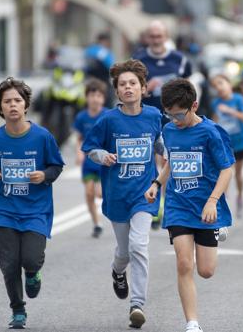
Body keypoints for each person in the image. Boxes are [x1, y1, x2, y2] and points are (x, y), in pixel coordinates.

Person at [144, 78, 234, 332]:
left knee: (206, 271)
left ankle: (217, 228)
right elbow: (170, 163)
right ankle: (192, 323)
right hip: (178, 206)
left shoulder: (211, 132)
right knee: (184, 264)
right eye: (169, 115)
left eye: (179, 114)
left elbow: (227, 169)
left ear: (194, 106)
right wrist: (156, 184)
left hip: (206, 206)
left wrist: (213, 202)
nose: (175, 120)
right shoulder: (170, 130)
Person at [0, 77, 65, 329]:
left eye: (17, 100)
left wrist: (44, 175)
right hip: (5, 210)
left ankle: (33, 273)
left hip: (36, 209)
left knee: (31, 259)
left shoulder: (42, 136)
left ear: (26, 105)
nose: (13, 105)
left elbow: (56, 166)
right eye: (7, 101)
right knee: (9, 263)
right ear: (0, 107)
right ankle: (17, 310)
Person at [81, 59, 162, 329]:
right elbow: (90, 148)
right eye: (122, 84)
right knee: (124, 252)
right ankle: (117, 272)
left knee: (140, 246)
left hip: (144, 194)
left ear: (142, 88)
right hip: (116, 195)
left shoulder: (153, 116)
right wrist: (102, 156)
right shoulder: (108, 120)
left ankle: (137, 304)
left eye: (133, 84)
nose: (128, 88)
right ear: (117, 90)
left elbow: (160, 143)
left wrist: (170, 153)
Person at [134, 20, 192, 229]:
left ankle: (165, 205)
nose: (156, 40)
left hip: (173, 118)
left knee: (168, 161)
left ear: (166, 36)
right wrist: (146, 89)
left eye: (160, 36)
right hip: (147, 118)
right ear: (147, 38)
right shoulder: (139, 60)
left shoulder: (180, 60)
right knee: (153, 162)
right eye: (153, 36)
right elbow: (130, 87)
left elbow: (189, 88)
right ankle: (154, 204)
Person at [210, 74, 243, 218]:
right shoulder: (216, 103)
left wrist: (230, 111)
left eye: (220, 83)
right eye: (215, 86)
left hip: (238, 143)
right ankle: (222, 202)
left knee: (238, 174)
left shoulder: (238, 99)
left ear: (228, 83)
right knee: (225, 173)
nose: (218, 88)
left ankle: (240, 196)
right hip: (224, 145)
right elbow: (214, 122)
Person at [73, 79, 108, 238]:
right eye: (92, 95)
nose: (95, 99)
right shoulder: (82, 117)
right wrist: (79, 152)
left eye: (99, 95)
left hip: (104, 162)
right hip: (88, 163)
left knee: (100, 194)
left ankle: (114, 216)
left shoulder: (107, 115)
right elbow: (78, 137)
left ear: (103, 98)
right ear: (86, 97)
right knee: (89, 193)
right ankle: (97, 224)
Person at [85, 32, 116, 108]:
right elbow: (111, 66)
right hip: (103, 82)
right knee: (107, 102)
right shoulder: (104, 52)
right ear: (104, 41)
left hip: (89, 81)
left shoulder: (89, 50)